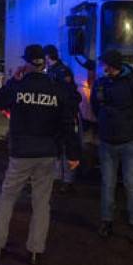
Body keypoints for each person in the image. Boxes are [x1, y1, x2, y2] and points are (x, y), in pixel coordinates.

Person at [0, 44, 81, 265]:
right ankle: (35, 252)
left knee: (7, 198)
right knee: (41, 203)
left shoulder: (18, 86)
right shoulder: (56, 89)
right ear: (44, 63)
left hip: (21, 153)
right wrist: (73, 154)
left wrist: (14, 80)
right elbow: (68, 124)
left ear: (26, 63)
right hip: (47, 153)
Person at [92, 49, 133, 244]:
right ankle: (111, 222)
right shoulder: (106, 83)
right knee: (113, 184)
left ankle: (132, 224)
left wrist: (130, 128)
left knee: (128, 184)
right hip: (113, 140)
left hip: (127, 141)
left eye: (104, 64)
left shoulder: (132, 85)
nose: (102, 68)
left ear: (112, 66)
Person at [43, 44, 82, 194]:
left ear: (47, 56)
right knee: (58, 148)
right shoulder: (54, 71)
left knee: (67, 147)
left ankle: (67, 181)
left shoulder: (61, 71)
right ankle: (58, 178)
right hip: (57, 115)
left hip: (64, 115)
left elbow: (67, 94)